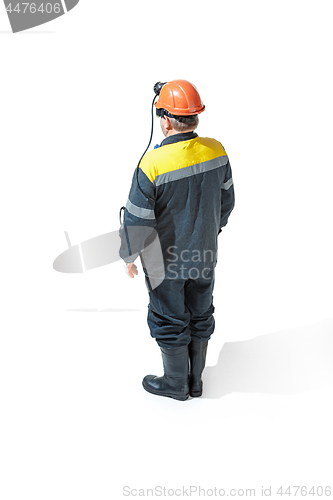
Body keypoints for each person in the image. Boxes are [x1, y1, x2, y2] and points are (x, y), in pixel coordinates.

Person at [119, 80, 235, 401]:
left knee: (168, 316)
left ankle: (175, 384)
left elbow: (136, 218)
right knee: (200, 312)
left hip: (165, 261)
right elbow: (226, 203)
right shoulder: (217, 150)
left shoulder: (152, 164)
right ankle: (196, 381)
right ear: (195, 117)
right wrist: (210, 232)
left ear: (166, 120)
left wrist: (129, 255)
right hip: (205, 255)